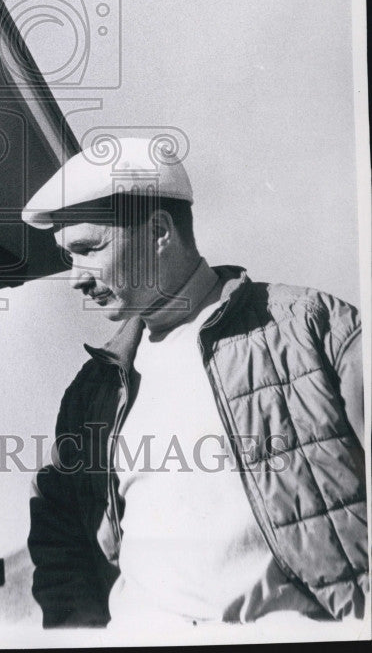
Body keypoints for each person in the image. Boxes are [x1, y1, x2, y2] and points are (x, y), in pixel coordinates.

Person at [23, 137, 367, 629]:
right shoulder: (93, 391)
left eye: (88, 249)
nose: (75, 278)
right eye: (67, 257)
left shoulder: (314, 329)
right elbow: (60, 540)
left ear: (160, 231)